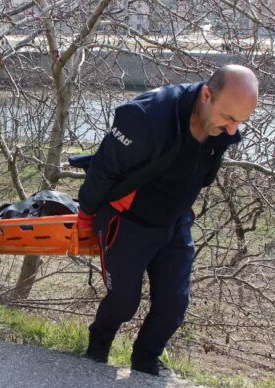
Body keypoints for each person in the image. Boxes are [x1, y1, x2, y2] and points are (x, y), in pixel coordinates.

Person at [77, 65, 259, 376]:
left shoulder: (221, 126)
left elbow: (197, 169)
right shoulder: (147, 118)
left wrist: (183, 204)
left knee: (174, 303)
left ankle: (146, 360)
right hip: (128, 221)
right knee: (123, 302)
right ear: (206, 95)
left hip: (173, 222)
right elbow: (104, 168)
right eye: (230, 118)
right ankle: (98, 348)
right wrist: (86, 215)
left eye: (240, 122)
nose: (233, 130)